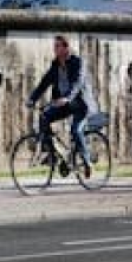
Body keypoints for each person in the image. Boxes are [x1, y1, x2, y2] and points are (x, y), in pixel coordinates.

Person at [27, 35, 98, 177]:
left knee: (76, 130)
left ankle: (87, 162)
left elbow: (77, 83)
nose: (54, 49)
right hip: (64, 104)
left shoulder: (78, 63)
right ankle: (51, 153)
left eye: (57, 46)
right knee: (44, 117)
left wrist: (67, 97)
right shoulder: (55, 65)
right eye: (54, 46)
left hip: (81, 104)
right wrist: (32, 99)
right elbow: (44, 83)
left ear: (66, 48)